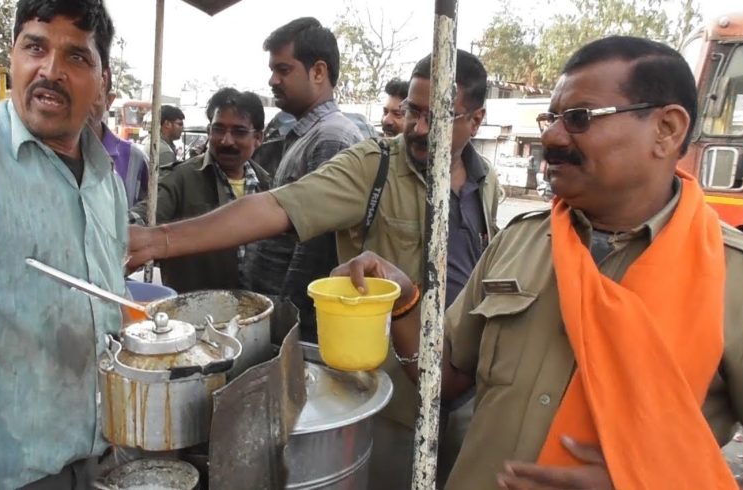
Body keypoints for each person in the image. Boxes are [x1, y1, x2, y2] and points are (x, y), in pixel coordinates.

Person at [332, 36, 743, 490]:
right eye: (551, 117)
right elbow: (445, 380)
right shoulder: (520, 243)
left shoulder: (741, 286)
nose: (551, 136)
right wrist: (403, 300)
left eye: (578, 118)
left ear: (667, 129)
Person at [127, 49, 501, 489]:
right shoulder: (373, 165)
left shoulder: (486, 182)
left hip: (468, 392)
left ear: (475, 121)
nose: (418, 129)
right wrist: (161, 240)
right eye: (412, 112)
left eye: (436, 117)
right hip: (397, 402)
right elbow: (275, 207)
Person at [0, 1, 127, 488]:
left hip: (102, 462)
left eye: (76, 57)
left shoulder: (109, 179)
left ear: (102, 80)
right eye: (35, 47)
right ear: (13, 56)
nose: (51, 71)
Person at [244, 17, 363, 337]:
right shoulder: (307, 134)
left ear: (319, 72)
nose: (272, 80)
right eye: (272, 70)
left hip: (293, 328)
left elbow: (313, 254)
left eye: (283, 70)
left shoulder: (331, 139)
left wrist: (289, 327)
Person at [130, 88, 270, 293]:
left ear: (258, 137)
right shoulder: (181, 178)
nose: (226, 141)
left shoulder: (267, 185)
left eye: (239, 132)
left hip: (255, 311)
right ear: (209, 132)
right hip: (195, 314)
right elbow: (146, 214)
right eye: (219, 130)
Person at [88, 69, 149, 207]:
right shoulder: (36, 154)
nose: (77, 104)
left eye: (90, 94)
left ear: (108, 100)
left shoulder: (135, 160)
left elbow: (149, 217)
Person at [158, 104, 185, 172]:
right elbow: (171, 181)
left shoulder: (156, 143)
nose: (182, 128)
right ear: (167, 124)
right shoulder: (165, 151)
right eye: (179, 124)